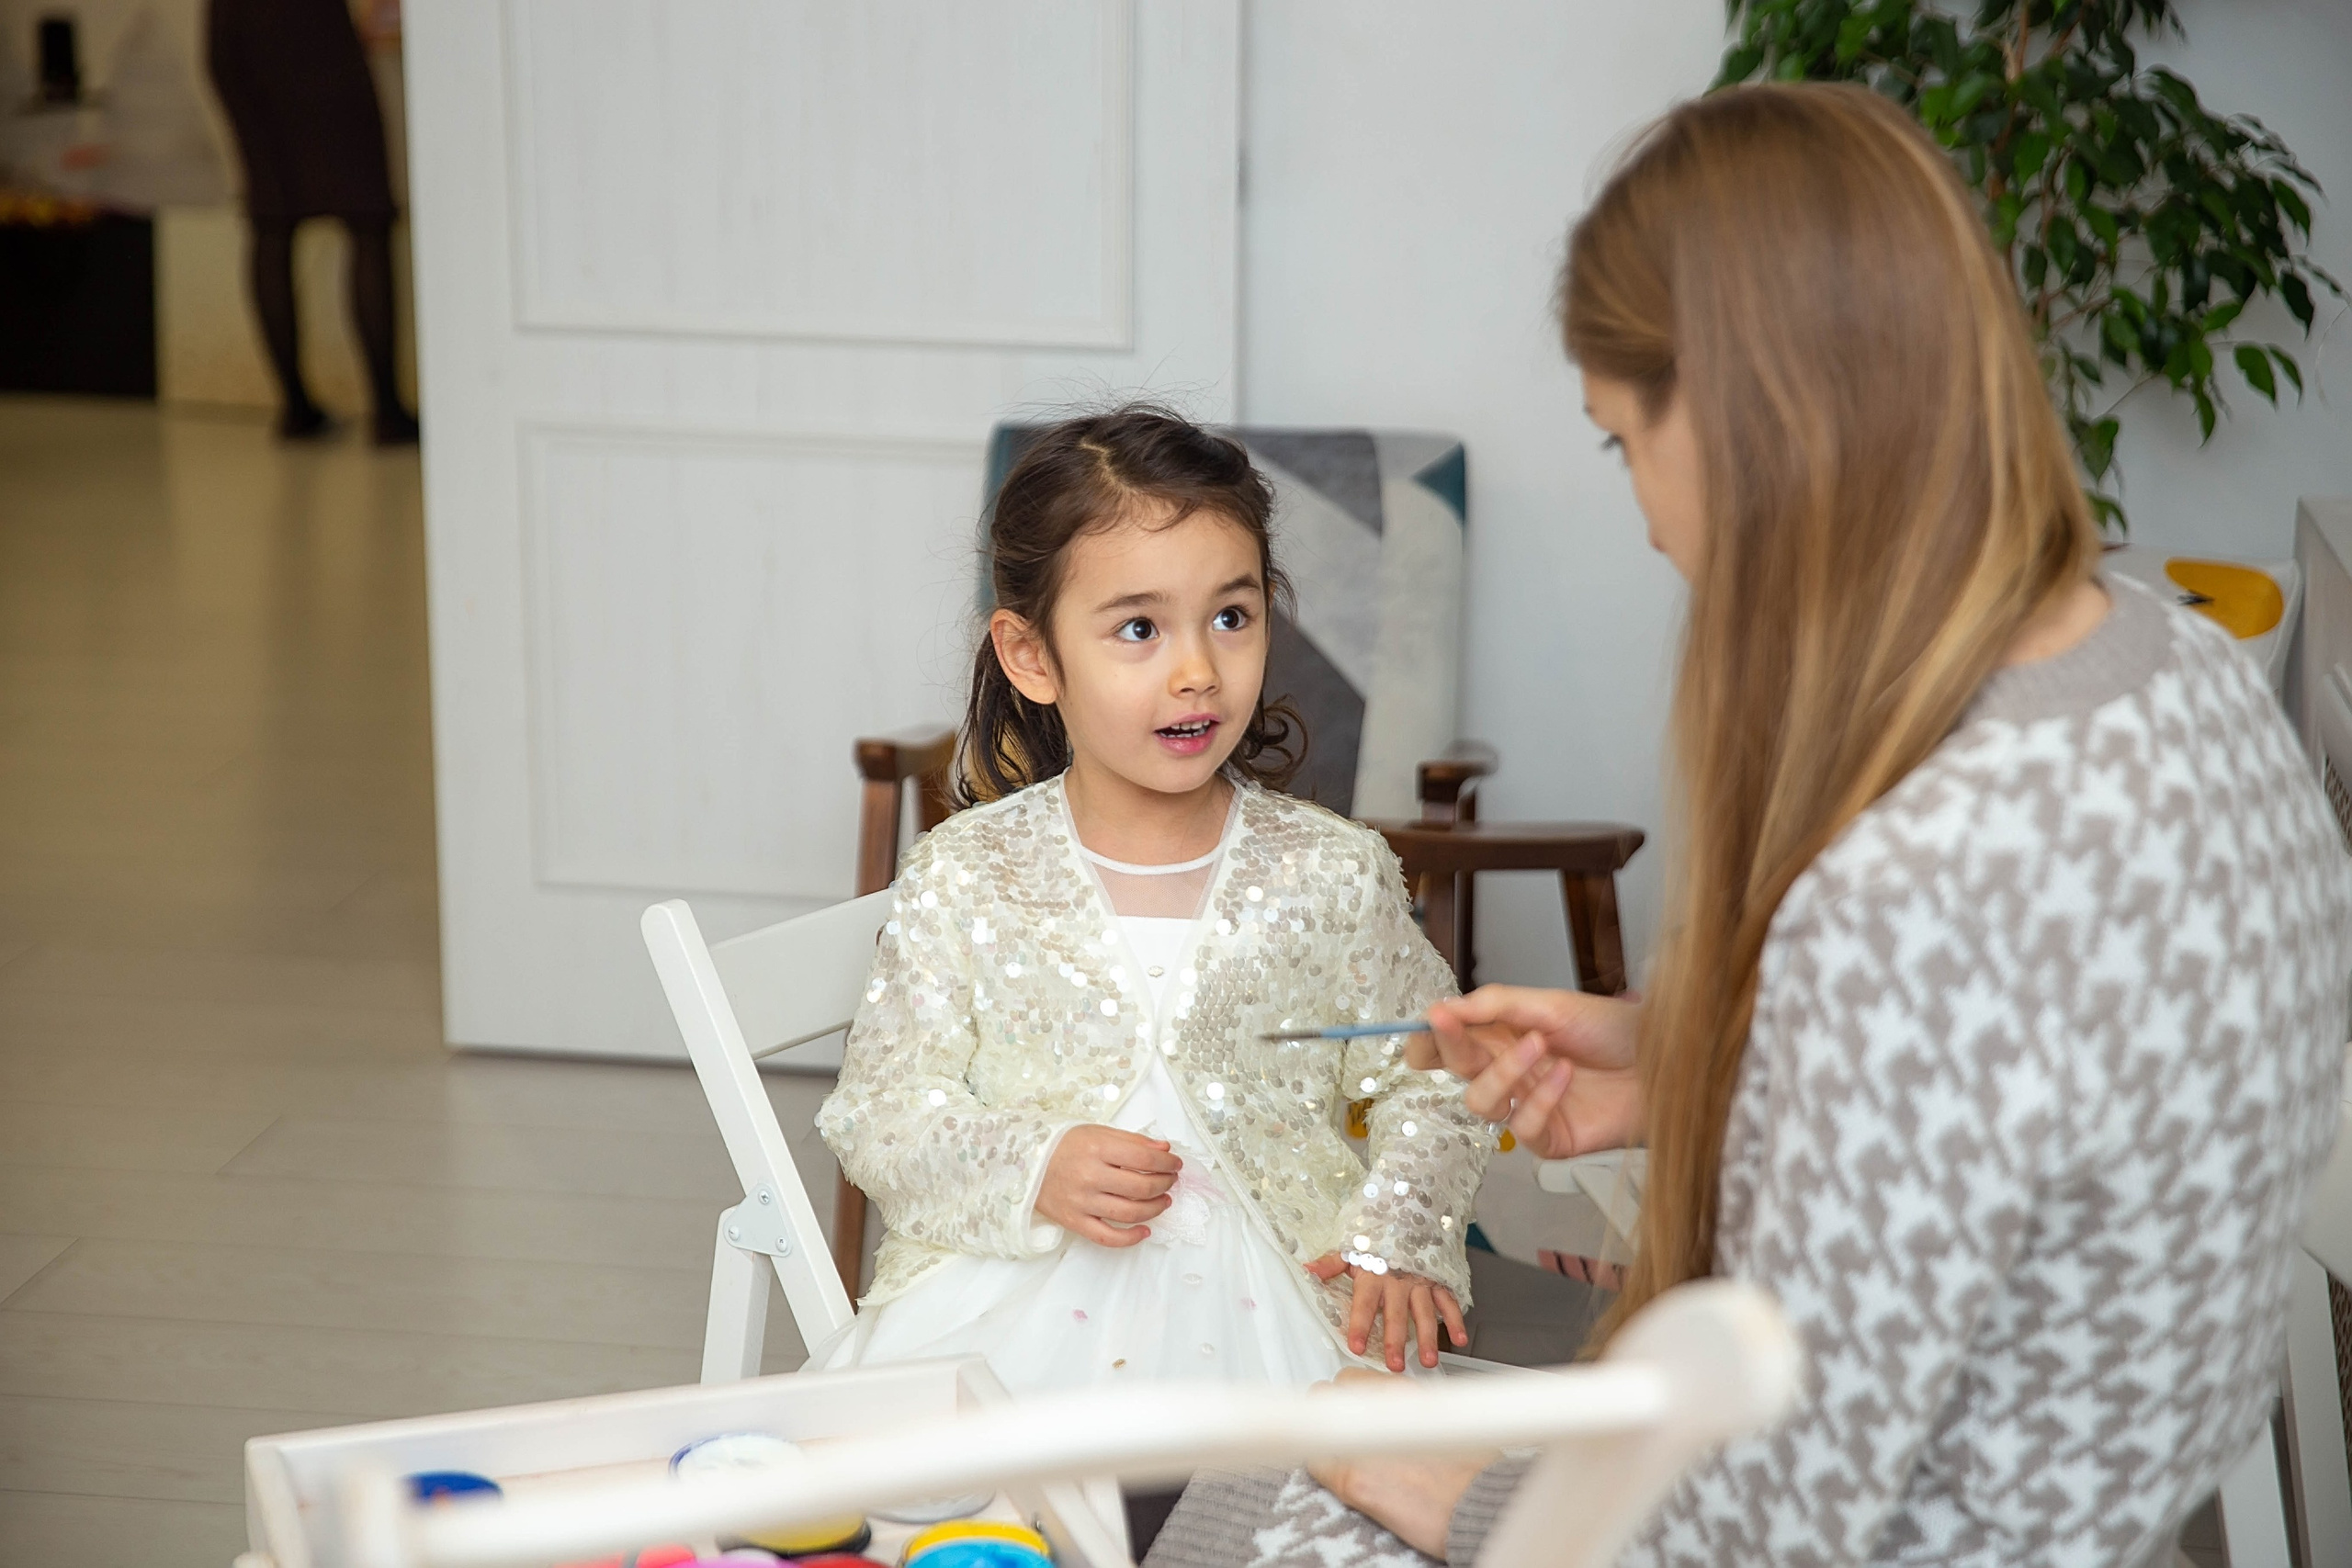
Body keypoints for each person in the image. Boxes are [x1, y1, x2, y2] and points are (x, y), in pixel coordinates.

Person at [1142, 84, 2352, 1568]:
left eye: (1622, 442)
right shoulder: (2182, 678)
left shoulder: (1918, 883)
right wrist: (1708, 1051)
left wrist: (1452, 1492)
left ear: (1750, 423)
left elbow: (1760, 1532)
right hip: (2087, 1503)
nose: (1648, 516)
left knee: (1223, 1503)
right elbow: (2028, 1085)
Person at [815, 408, 1493, 1395]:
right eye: (1139, 627)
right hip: (1010, 1304)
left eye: (1231, 616)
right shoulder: (969, 875)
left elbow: (1437, 1077)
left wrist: (1398, 1230)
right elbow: (878, 1113)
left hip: (1280, 1305)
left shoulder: (1329, 873)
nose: (1196, 672)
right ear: (1032, 656)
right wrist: (1032, 1162)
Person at [205, 0, 420, 445]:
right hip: (307, 25)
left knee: (272, 218)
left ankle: (297, 409)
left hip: (233, 26)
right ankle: (387, 411)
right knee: (366, 216)